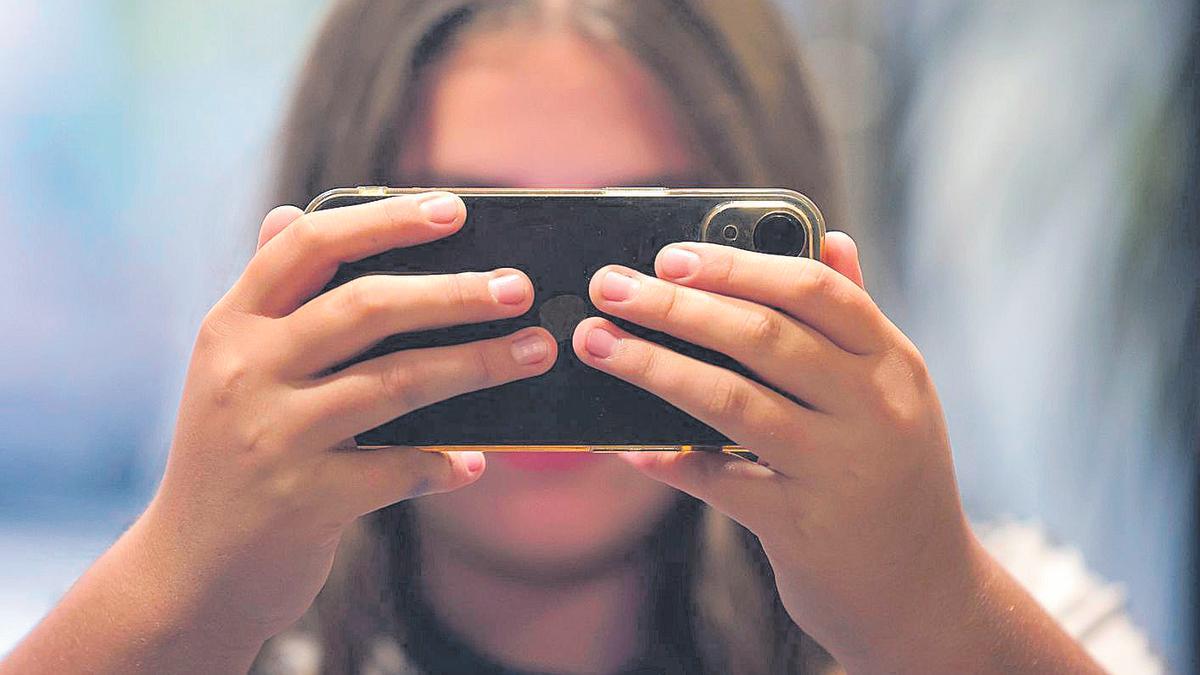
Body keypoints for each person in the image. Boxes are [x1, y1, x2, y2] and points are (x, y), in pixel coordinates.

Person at [0, 1, 1105, 673]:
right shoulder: (180, 634)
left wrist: (932, 621)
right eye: (477, 245)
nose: (558, 335)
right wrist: (184, 594)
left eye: (637, 245)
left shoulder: (995, 616)